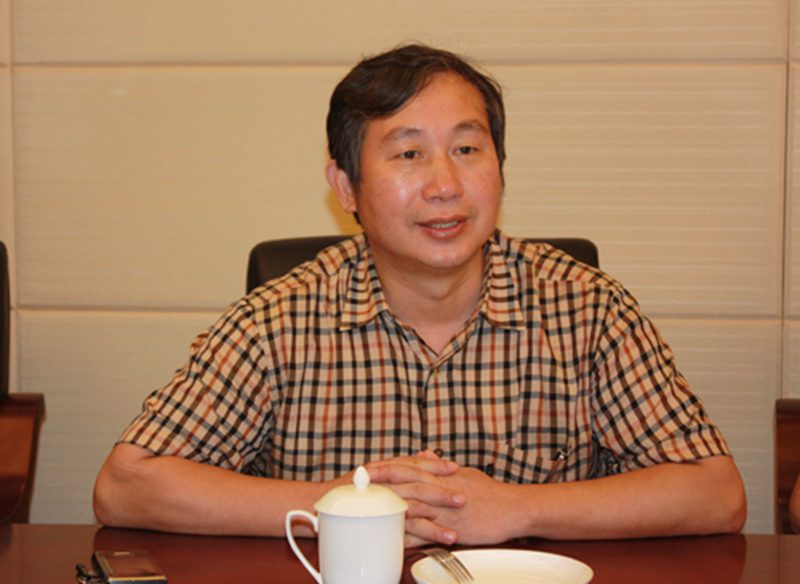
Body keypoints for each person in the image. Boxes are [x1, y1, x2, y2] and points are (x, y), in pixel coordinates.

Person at [93, 44, 747, 546]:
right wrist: (345, 509)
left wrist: (520, 508)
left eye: (467, 148)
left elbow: (716, 493)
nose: (444, 185)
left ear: (499, 166)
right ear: (345, 187)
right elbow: (126, 485)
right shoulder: (278, 319)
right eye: (408, 155)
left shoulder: (586, 309)